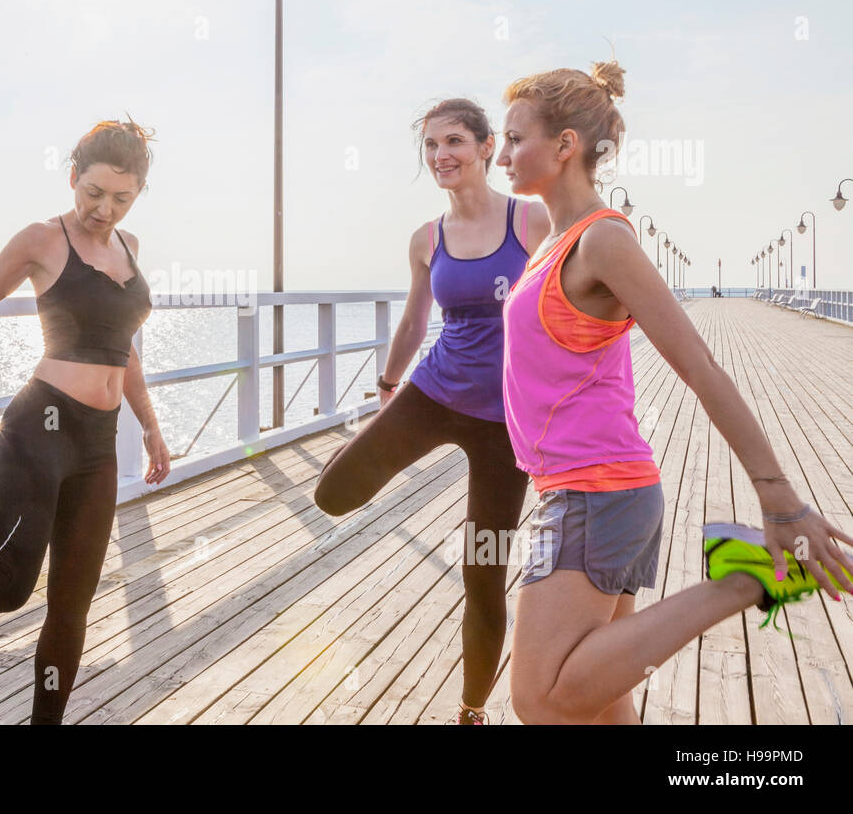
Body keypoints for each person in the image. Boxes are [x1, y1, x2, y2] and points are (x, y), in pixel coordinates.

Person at [498, 60, 853, 724]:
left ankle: (749, 577)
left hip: (593, 494)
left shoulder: (601, 240)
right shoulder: (548, 242)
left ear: (567, 146)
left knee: (543, 697)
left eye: (517, 138)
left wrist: (778, 499)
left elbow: (700, 367)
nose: (503, 155)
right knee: (600, 707)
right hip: (580, 490)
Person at [313, 98, 550, 725]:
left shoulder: (530, 222)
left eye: (454, 143)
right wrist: (388, 386)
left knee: (482, 569)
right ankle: (377, 438)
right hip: (434, 392)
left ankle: (471, 710)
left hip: (505, 421)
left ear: (483, 147)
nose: (441, 156)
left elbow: (564, 307)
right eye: (431, 146)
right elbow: (418, 317)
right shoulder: (427, 237)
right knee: (332, 494)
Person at [0, 119, 170, 724]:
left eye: (121, 197)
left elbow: (125, 348)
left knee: (72, 607)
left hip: (100, 443)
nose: (103, 209)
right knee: (3, 589)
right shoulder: (42, 238)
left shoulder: (129, 247)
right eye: (93, 192)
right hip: (42, 430)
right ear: (72, 178)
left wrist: (152, 424)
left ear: (137, 193)